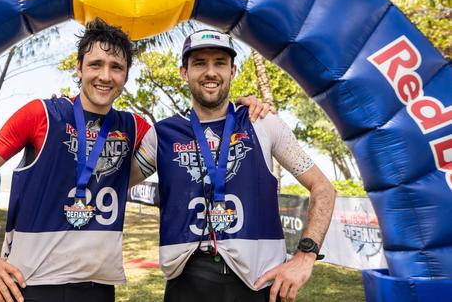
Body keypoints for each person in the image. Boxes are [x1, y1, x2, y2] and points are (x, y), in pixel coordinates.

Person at [0, 19, 271, 302]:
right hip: (31, 284)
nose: (105, 76)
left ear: (125, 75)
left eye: (116, 67)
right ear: (78, 69)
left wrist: (241, 109)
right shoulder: (41, 114)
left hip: (99, 288)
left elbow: (191, 131)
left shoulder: (136, 128)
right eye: (96, 64)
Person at [132, 29, 337, 302]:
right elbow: (114, 181)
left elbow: (323, 187)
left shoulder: (262, 123)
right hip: (186, 283)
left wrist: (306, 255)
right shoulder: (162, 134)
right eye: (199, 63)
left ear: (233, 71)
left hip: (257, 283)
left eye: (219, 62)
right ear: (184, 72)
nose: (210, 72)